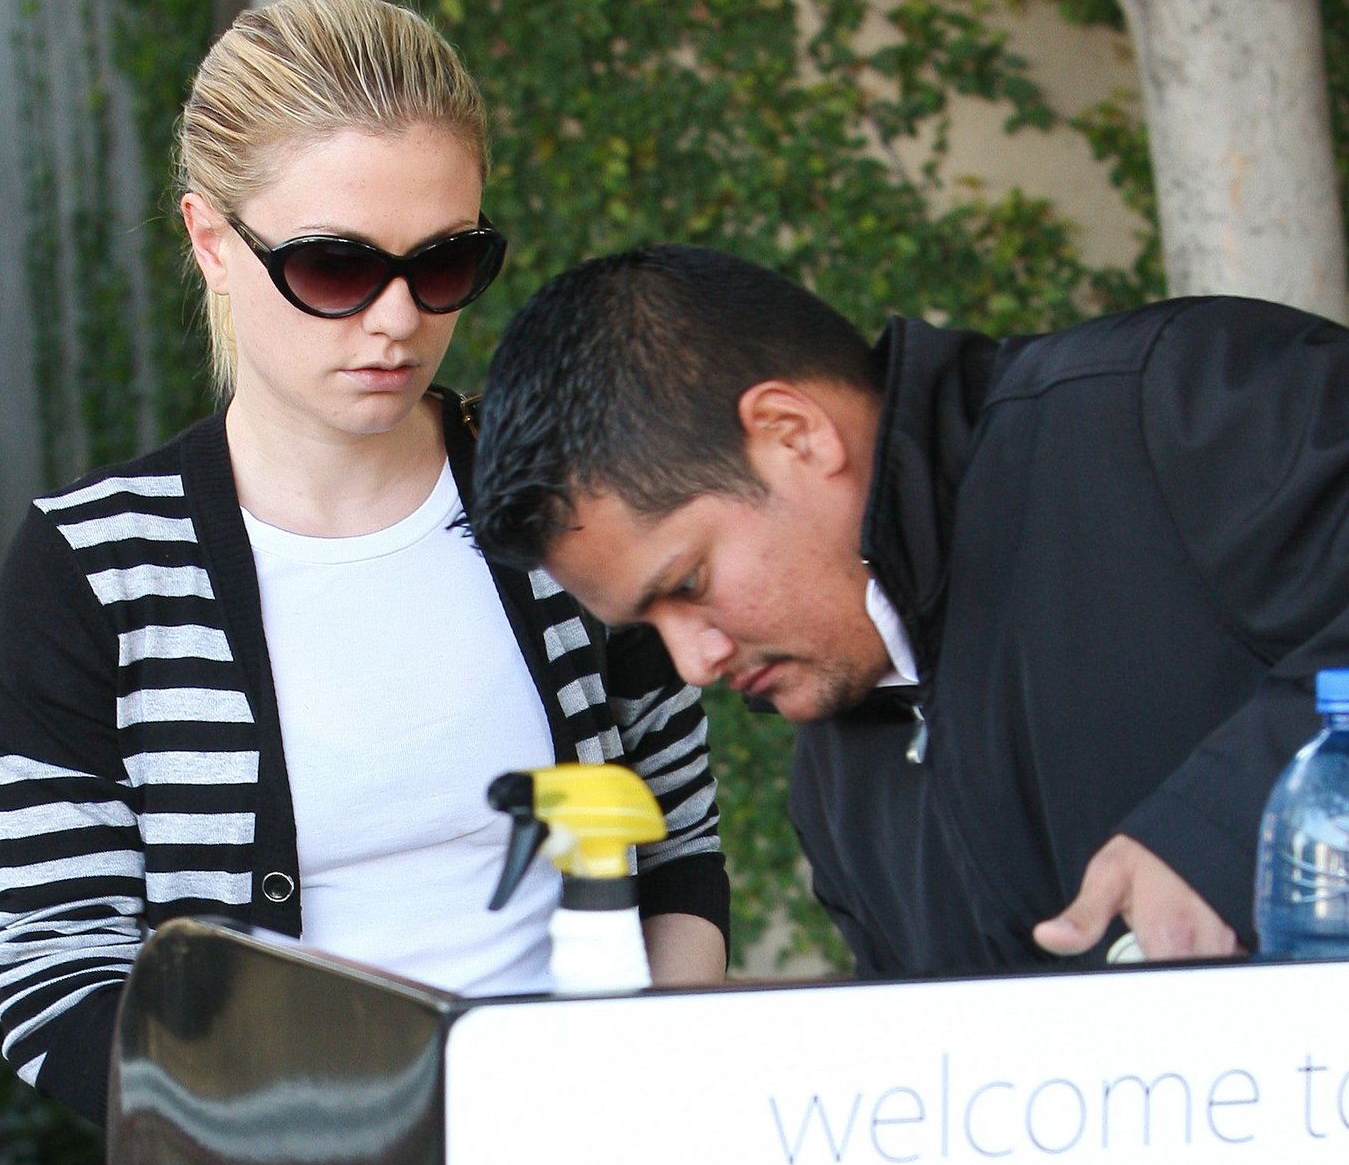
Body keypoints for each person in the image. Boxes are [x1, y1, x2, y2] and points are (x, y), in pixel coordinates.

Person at [0, 0, 727, 1123]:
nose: (396, 321)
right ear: (210, 240)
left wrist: (626, 1105)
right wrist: (313, 1156)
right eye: (334, 268)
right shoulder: (99, 569)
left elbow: (677, 853)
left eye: (444, 262)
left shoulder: (568, 506)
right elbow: (57, 978)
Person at [466, 243, 1349, 977]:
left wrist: (1225, 829)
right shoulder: (835, 794)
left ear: (792, 433)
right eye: (647, 628)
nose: (694, 663)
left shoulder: (1170, 405)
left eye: (688, 583)